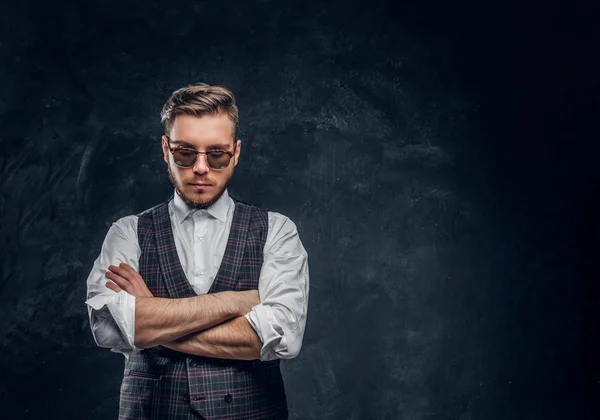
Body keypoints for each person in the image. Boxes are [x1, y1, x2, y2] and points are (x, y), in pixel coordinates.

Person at [84, 83, 310, 419]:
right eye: (185, 153)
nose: (201, 167)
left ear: (235, 152)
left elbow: (283, 336)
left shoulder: (277, 231)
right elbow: (108, 328)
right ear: (166, 149)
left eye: (216, 154)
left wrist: (151, 318)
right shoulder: (127, 232)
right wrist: (235, 302)